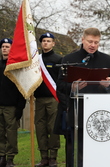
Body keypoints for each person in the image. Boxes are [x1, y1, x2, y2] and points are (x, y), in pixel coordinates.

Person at [55, 27, 110, 167]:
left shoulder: (107, 60)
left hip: (100, 114)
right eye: (90, 41)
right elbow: (59, 85)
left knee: (98, 149)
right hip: (77, 112)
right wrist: (72, 87)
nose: (93, 45)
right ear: (82, 40)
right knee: (75, 149)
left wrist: (108, 84)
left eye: (96, 42)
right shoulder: (69, 59)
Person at [34, 33, 62, 167]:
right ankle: (43, 156)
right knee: (40, 128)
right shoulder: (35, 60)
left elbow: (61, 81)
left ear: (53, 43)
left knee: (52, 128)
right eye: (43, 41)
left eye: (48, 41)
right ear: (41, 43)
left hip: (53, 99)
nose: (45, 43)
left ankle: (53, 157)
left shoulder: (58, 59)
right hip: (38, 99)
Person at [0, 38, 26, 167]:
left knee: (11, 134)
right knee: (0, 133)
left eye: (7, 46)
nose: (4, 48)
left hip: (11, 106)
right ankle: (2, 156)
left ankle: (10, 158)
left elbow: (21, 87)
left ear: (12, 49)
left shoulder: (15, 67)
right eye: (3, 46)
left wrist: (20, 107)